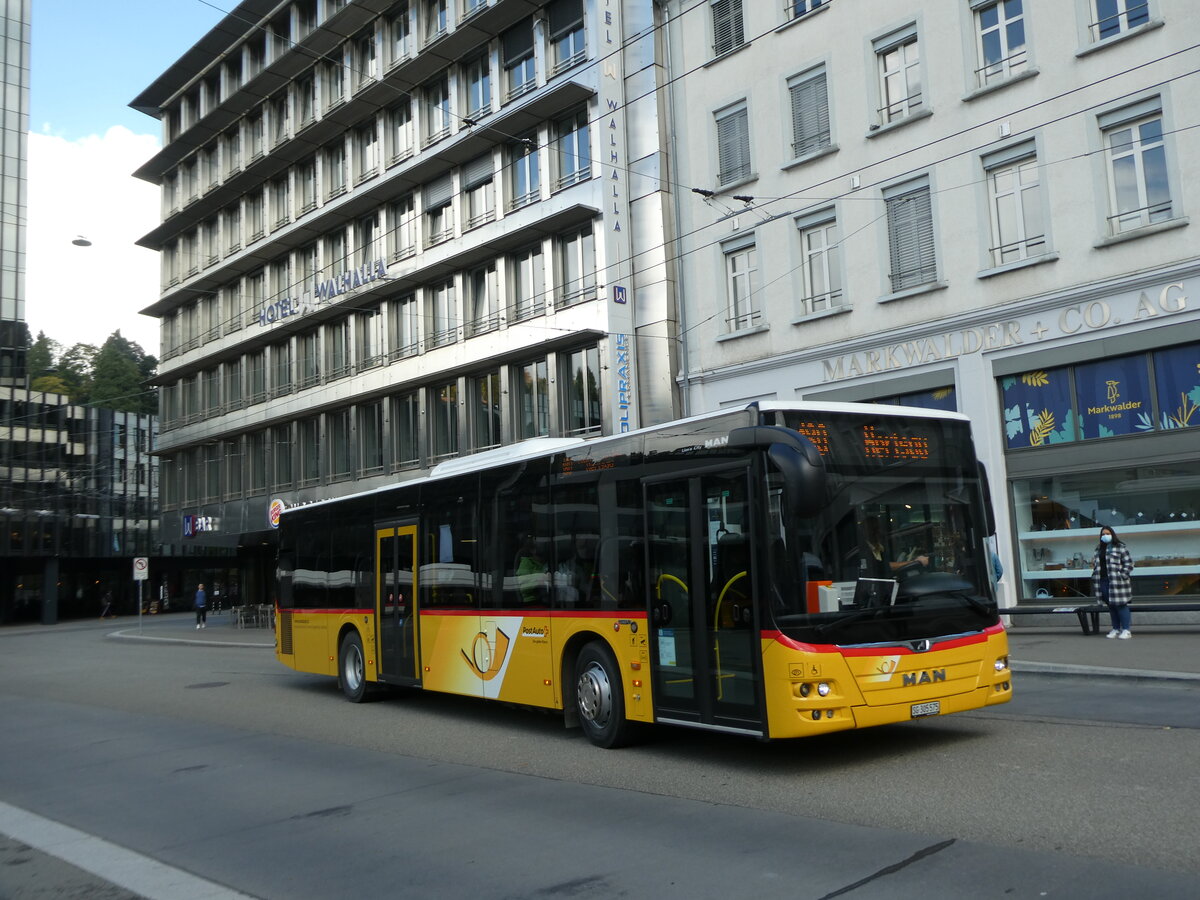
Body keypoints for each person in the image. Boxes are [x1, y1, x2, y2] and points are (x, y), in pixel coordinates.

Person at [1092, 526, 1134, 639]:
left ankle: (1126, 630)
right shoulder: (1098, 549)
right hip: (1103, 580)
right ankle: (1116, 628)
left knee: (1121, 605)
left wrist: (1122, 575)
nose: (1105, 536)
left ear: (1112, 534)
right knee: (1111, 606)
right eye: (1103, 534)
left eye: (1107, 533)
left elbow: (1129, 563)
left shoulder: (1120, 547)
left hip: (1117, 581)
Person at [862, 516, 928, 577]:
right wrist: (916, 562)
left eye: (879, 528)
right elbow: (884, 566)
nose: (879, 531)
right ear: (866, 531)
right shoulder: (863, 550)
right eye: (875, 529)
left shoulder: (880, 548)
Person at [515, 537, 548, 605]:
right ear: (532, 551)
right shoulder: (526, 563)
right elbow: (524, 588)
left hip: (546, 600)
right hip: (531, 602)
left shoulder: (545, 564)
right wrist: (539, 580)